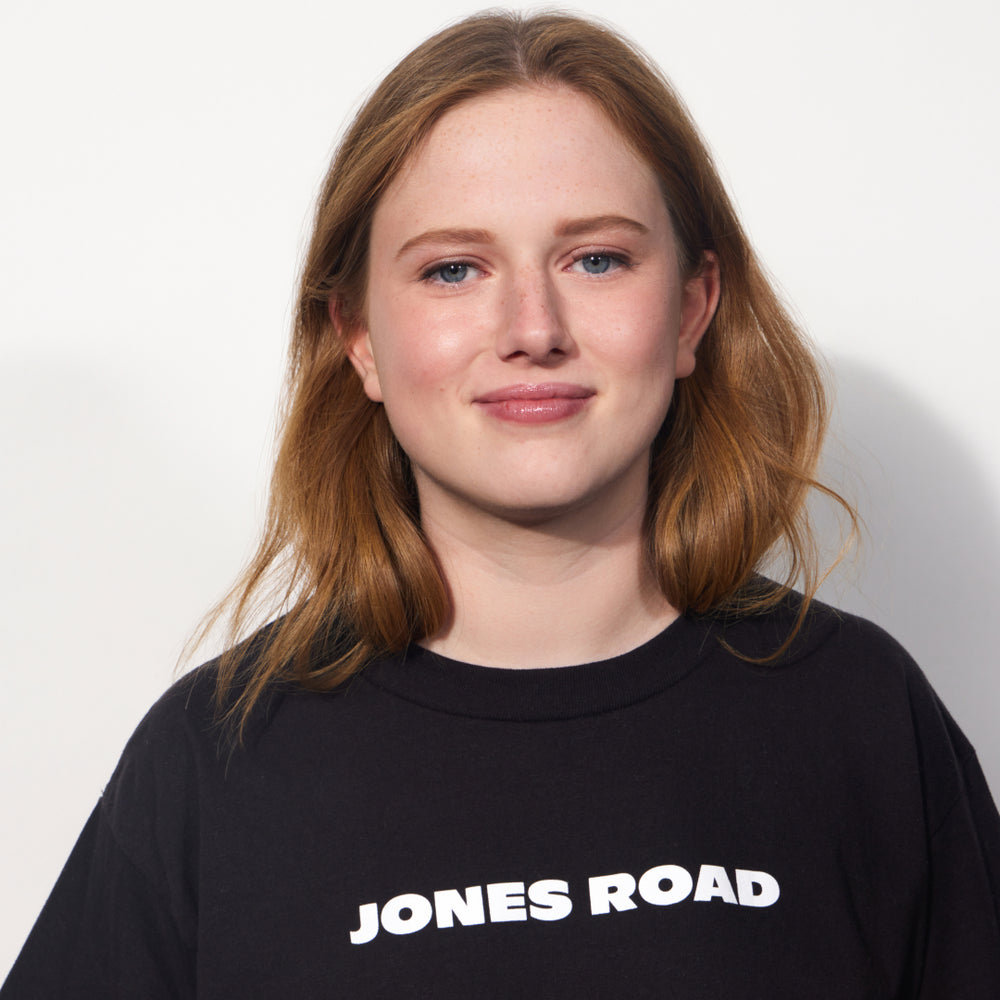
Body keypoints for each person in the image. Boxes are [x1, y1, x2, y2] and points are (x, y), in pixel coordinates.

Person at [3, 10, 999, 998]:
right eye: (453, 269)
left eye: (596, 259)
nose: (533, 328)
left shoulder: (859, 713)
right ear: (358, 337)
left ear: (692, 311)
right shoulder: (216, 759)